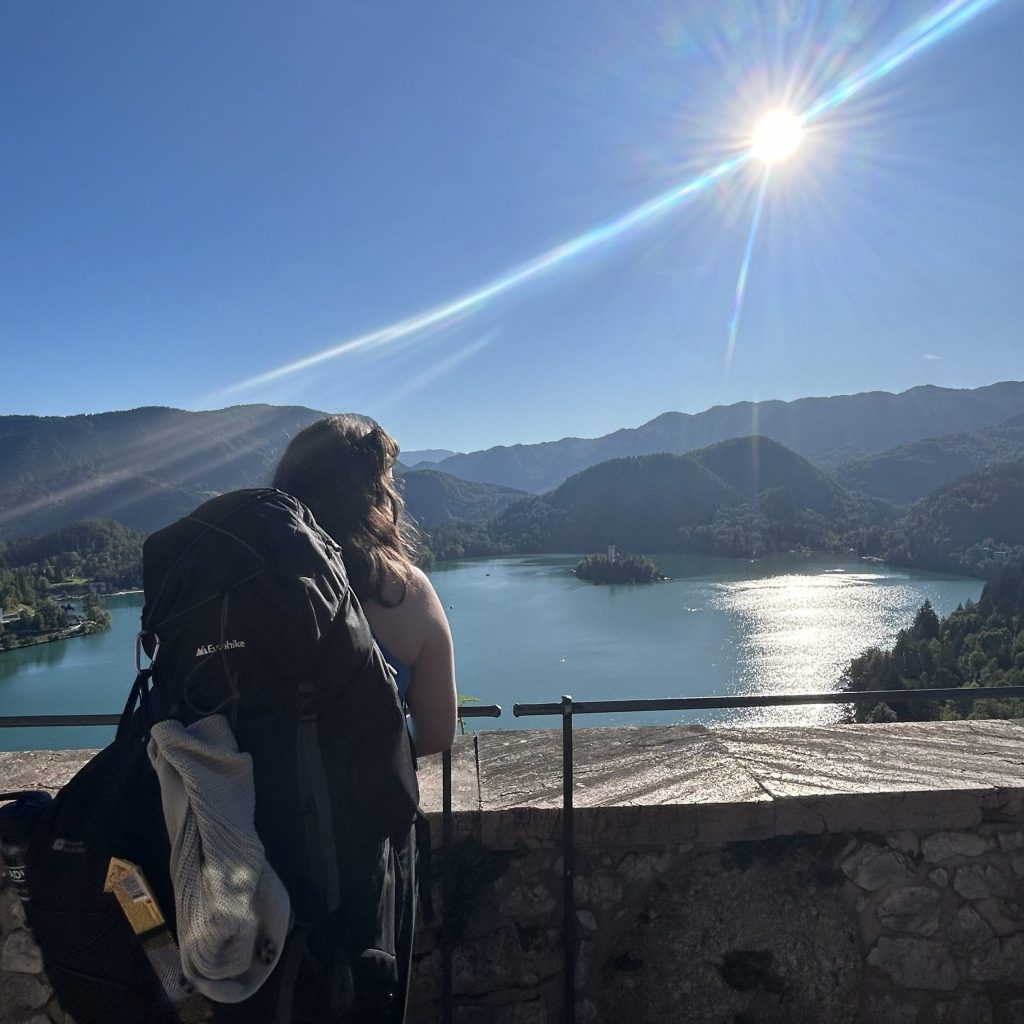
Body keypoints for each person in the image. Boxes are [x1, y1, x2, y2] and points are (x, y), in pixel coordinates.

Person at [272, 414, 457, 757]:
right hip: (367, 805)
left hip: (240, 805)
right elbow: (436, 733)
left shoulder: (255, 580)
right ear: (372, 494)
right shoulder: (403, 590)